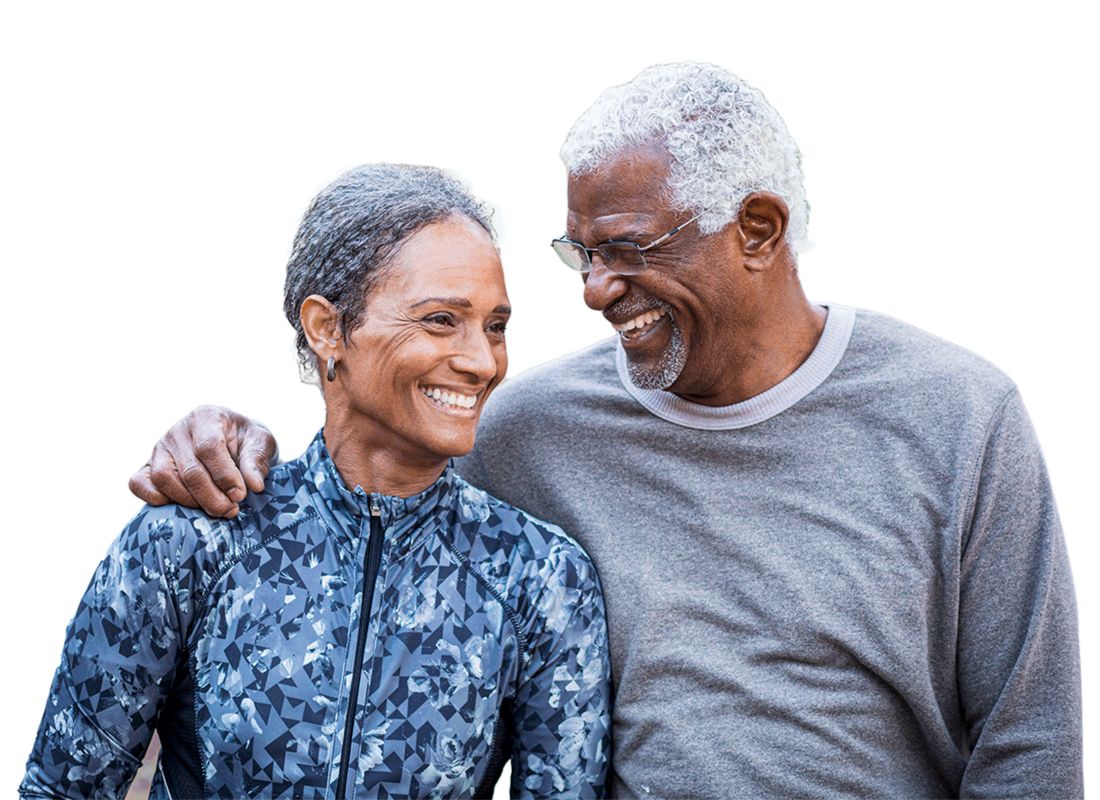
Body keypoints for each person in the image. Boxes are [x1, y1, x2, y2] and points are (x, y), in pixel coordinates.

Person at [124, 61, 1081, 798]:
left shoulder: (961, 411)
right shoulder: (529, 425)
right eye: (578, 253)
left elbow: (1030, 741)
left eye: (625, 250)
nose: (592, 292)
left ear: (756, 229)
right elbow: (352, 525)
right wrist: (223, 448)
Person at [20, 162, 611, 799]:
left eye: (496, 326)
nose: (480, 360)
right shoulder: (193, 538)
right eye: (442, 319)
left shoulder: (541, 577)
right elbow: (63, 790)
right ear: (328, 328)